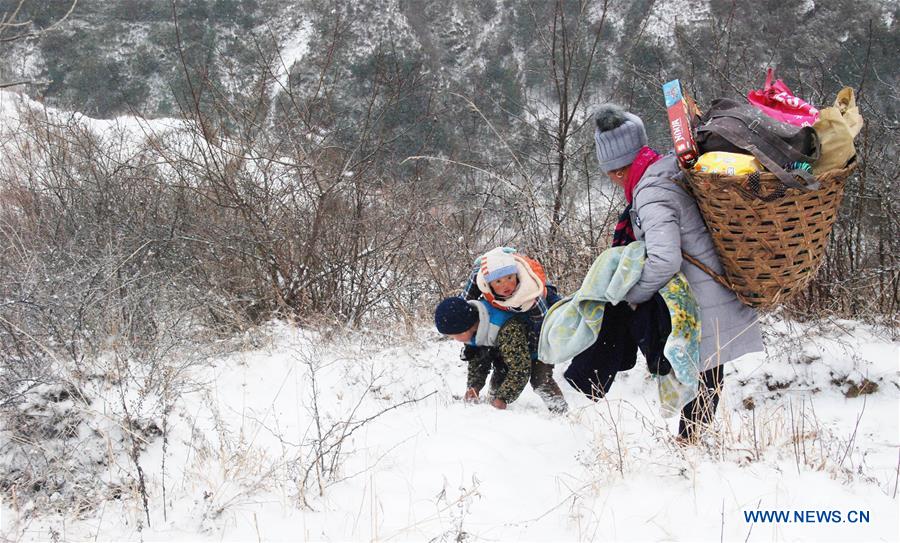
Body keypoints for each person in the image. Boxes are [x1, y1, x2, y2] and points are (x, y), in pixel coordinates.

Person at [567, 103, 764, 440]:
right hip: (712, 289)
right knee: (706, 373)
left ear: (616, 169)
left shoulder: (651, 194)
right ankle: (691, 441)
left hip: (702, 296)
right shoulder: (666, 172)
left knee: (702, 374)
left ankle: (690, 444)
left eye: (610, 174)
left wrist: (633, 294)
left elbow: (664, 260)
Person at [434, 296, 567, 413]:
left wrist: (503, 398)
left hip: (538, 348)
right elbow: (478, 362)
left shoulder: (506, 327)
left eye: (454, 336)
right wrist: (474, 387)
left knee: (540, 381)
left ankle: (561, 412)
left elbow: (520, 369)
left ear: (465, 328)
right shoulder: (473, 330)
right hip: (508, 352)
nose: (454, 339)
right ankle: (495, 405)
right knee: (495, 391)